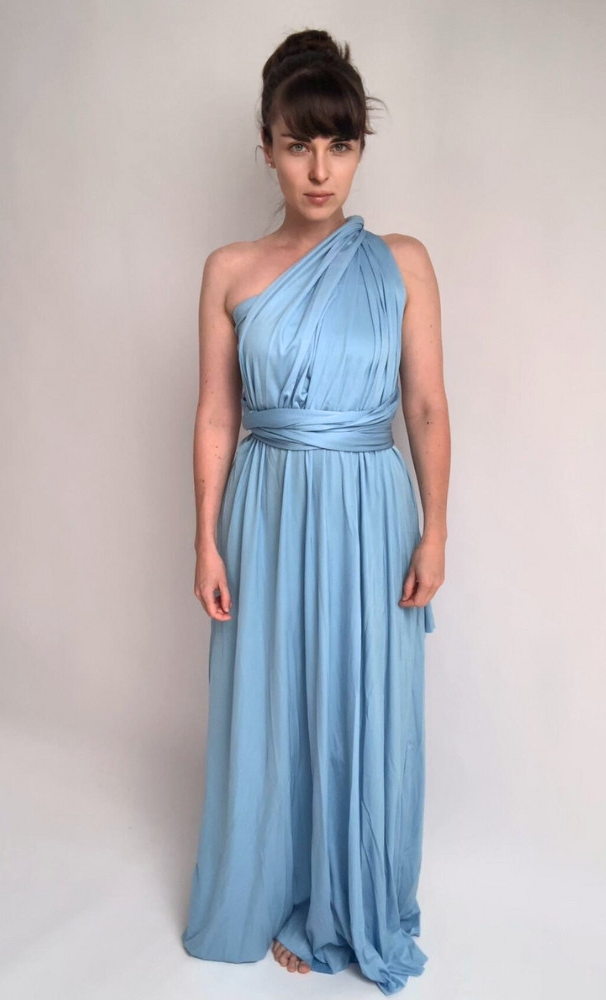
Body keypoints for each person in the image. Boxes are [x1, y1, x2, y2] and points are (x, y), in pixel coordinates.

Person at [182, 27, 450, 997]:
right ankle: (271, 883)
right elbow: (217, 413)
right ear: (266, 147)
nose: (321, 169)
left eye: (339, 144)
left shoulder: (402, 262)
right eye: (299, 145)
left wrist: (435, 529)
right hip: (266, 509)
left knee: (359, 699)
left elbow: (425, 405)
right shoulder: (230, 269)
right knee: (272, 699)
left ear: (359, 148)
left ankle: (343, 903)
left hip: (371, 508)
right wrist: (205, 538)